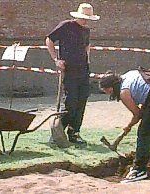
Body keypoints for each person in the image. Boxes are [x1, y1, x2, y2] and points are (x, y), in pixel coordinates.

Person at [45, 3, 100, 145]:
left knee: (81, 101)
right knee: (71, 101)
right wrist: (56, 59)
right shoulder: (66, 26)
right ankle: (58, 133)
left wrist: (87, 59)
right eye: (84, 17)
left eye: (88, 18)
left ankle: (74, 132)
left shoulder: (86, 30)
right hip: (69, 70)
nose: (85, 20)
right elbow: (49, 40)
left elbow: (86, 46)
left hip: (83, 71)